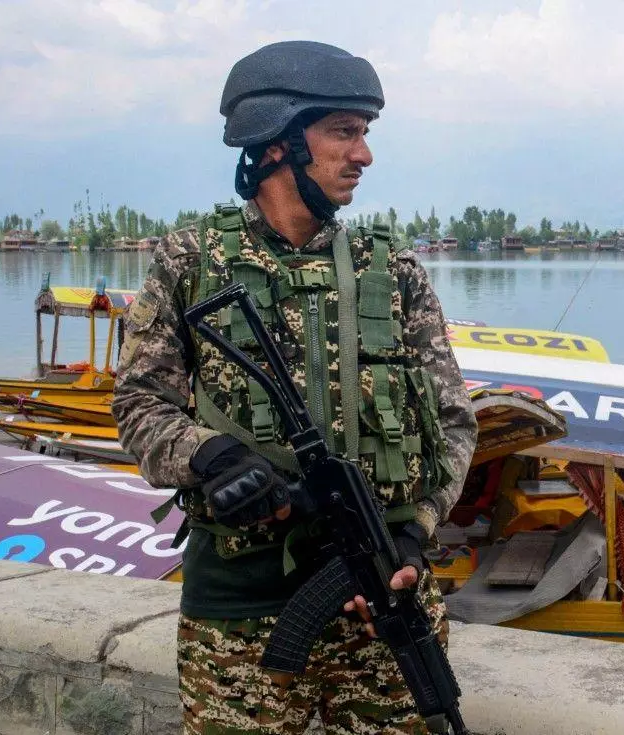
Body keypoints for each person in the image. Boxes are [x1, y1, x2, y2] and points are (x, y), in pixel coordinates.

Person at [112, 40, 478, 735]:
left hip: (384, 604)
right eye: (343, 131)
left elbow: (454, 422)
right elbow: (138, 404)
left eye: (364, 133)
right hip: (239, 615)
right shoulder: (192, 262)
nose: (363, 155)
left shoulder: (391, 270)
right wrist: (210, 454)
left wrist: (415, 531)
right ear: (276, 141)